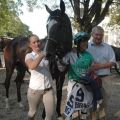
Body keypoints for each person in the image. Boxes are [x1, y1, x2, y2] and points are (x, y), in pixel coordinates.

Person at [62, 32, 102, 120]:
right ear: (77, 43)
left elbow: (93, 67)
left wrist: (93, 71)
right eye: (82, 41)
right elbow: (62, 65)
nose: (85, 43)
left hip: (85, 84)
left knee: (85, 108)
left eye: (86, 41)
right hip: (73, 83)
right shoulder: (70, 54)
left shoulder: (89, 55)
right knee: (70, 108)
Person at [87, 26, 116, 120]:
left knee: (103, 103)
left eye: (101, 35)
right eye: (96, 34)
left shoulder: (108, 47)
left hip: (105, 79)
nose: (98, 37)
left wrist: (99, 66)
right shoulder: (86, 47)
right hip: (90, 79)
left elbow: (112, 62)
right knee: (91, 103)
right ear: (92, 34)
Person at [25, 34, 55, 120]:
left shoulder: (47, 55)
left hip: (48, 89)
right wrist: (41, 55)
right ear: (30, 45)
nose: (37, 44)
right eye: (33, 42)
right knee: (32, 112)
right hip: (35, 90)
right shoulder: (29, 56)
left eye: (38, 41)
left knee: (50, 115)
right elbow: (31, 66)